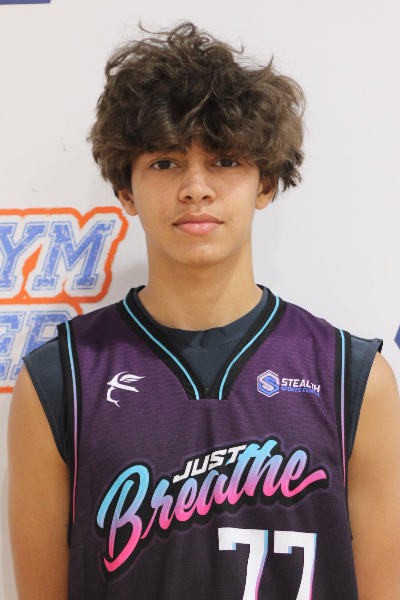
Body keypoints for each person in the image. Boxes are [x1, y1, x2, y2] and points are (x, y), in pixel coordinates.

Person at [7, 21, 400, 600]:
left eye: (225, 161)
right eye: (165, 163)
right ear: (125, 188)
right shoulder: (59, 380)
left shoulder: (353, 379)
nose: (195, 187)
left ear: (266, 183)